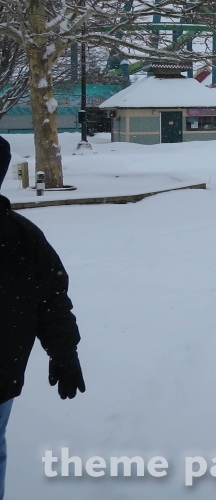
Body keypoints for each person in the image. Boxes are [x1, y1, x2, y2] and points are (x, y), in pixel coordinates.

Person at [0, 136, 85, 499]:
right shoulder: (20, 235)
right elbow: (50, 301)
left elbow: (49, 300)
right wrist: (64, 354)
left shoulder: (20, 236)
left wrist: (65, 353)